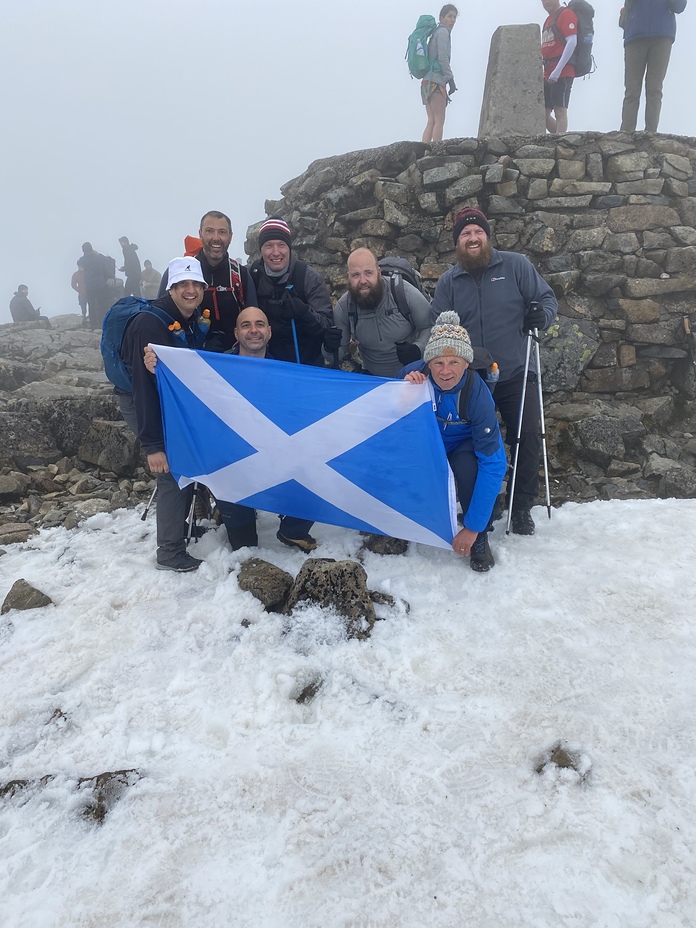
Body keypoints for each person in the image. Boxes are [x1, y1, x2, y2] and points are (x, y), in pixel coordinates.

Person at [144, 305, 318, 553]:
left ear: (269, 332)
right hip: (234, 472)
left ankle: (293, 529)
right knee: (244, 546)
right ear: (236, 333)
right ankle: (225, 509)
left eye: (259, 324)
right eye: (246, 325)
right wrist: (158, 369)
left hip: (276, 464)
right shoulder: (213, 372)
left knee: (321, 474)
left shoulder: (286, 373)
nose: (253, 330)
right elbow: (184, 394)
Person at [431, 207, 558, 535]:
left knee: (528, 435)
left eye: (477, 233)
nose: (472, 238)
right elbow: (436, 329)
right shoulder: (449, 282)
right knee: (473, 443)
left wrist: (539, 315)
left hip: (515, 371)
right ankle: (479, 510)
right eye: (465, 234)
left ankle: (520, 506)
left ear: (487, 236)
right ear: (457, 242)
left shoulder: (516, 265)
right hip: (471, 380)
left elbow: (546, 299)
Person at [119, 256, 211, 572]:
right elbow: (143, 388)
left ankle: (178, 530)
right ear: (170, 288)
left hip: (168, 402)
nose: (190, 291)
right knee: (171, 471)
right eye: (182, 285)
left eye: (195, 285)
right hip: (141, 401)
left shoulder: (189, 318)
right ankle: (170, 551)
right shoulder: (150, 324)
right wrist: (153, 445)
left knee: (183, 462)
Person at [400, 312, 507, 571]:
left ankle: (479, 538)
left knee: (469, 466)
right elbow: (383, 421)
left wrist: (472, 528)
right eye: (438, 362)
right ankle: (399, 522)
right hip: (427, 443)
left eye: (454, 362)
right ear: (428, 362)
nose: (445, 371)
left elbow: (494, 464)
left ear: (466, 364)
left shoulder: (477, 396)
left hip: (462, 444)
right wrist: (400, 392)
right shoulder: (412, 375)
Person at [158, 210, 257, 353]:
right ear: (200, 234)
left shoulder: (241, 275)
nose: (215, 238)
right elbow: (160, 317)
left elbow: (255, 318)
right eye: (209, 231)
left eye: (222, 232)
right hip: (189, 359)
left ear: (230, 236)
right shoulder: (177, 274)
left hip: (235, 359)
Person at [248, 217, 335, 366]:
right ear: (261, 249)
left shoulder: (308, 277)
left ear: (289, 248)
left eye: (281, 245)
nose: (276, 252)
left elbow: (327, 327)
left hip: (305, 365)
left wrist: (304, 312)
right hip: (265, 364)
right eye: (269, 245)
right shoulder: (252, 276)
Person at [333, 248, 432, 378]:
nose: (363, 281)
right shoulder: (344, 307)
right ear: (348, 277)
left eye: (368, 273)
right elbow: (337, 353)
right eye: (356, 275)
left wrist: (417, 349)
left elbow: (430, 326)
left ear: (378, 273)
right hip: (374, 380)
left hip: (414, 376)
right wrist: (329, 347)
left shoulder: (404, 293)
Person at [620, 0, 687, 133]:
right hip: (637, 35)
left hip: (660, 36)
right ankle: (626, 133)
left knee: (654, 88)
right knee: (633, 89)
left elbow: (679, 6)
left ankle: (650, 132)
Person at [421, 5, 458, 144]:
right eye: (449, 16)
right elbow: (443, 57)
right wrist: (451, 79)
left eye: (454, 17)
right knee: (439, 119)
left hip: (426, 82)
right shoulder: (443, 32)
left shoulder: (435, 33)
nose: (452, 20)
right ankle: (436, 149)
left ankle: (423, 150)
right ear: (441, 18)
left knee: (431, 120)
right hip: (436, 81)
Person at [541, 0, 578, 135]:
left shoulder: (566, 14)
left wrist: (558, 70)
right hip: (548, 71)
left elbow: (572, 41)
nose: (546, 3)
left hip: (563, 71)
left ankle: (560, 142)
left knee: (560, 110)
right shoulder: (548, 20)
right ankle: (559, 137)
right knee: (542, 113)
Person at [77, 242, 112, 329]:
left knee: (91, 305)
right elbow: (107, 261)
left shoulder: (83, 260)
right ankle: (102, 322)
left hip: (89, 286)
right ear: (91, 249)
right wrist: (97, 253)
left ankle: (93, 324)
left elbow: (79, 262)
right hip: (100, 284)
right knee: (102, 304)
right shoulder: (97, 257)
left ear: (83, 250)